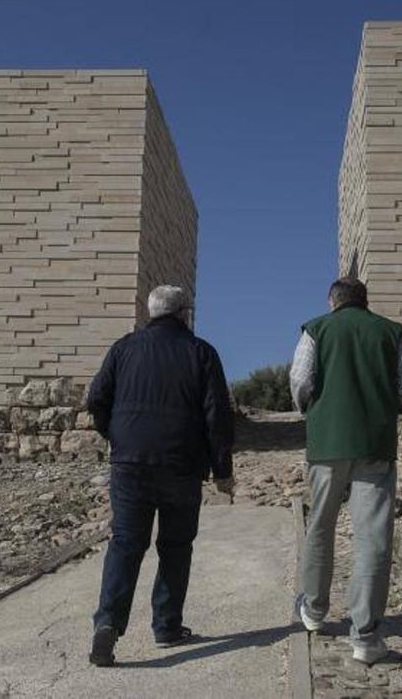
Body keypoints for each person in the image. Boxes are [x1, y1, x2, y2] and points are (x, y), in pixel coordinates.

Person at [86, 284, 235, 667]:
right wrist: (222, 471)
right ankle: (167, 626)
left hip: (129, 462)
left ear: (151, 313)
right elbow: (217, 414)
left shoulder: (123, 348)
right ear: (185, 312)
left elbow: (97, 398)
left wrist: (116, 435)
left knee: (125, 543)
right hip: (182, 465)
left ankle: (107, 624)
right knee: (176, 545)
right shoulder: (201, 352)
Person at [289, 276, 402, 665]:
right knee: (373, 537)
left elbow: (300, 380)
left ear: (333, 301)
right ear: (365, 301)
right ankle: (364, 635)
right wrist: (393, 408)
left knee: (320, 525)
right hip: (375, 444)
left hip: (326, 445)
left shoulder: (315, 328)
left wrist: (314, 412)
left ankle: (313, 611)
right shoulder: (390, 331)